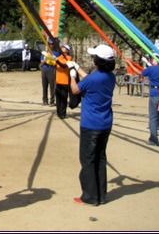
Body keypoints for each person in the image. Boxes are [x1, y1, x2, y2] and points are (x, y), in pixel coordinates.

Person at [67, 44, 116, 206]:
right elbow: (89, 79)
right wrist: (78, 67)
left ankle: (90, 196)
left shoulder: (94, 79)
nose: (92, 59)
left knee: (88, 160)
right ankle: (101, 195)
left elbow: (75, 90)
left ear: (98, 61)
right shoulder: (109, 77)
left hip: (91, 124)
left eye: (94, 57)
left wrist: (72, 75)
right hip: (105, 123)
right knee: (100, 158)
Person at [131, 57, 159, 146]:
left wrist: (130, 64)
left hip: (155, 93)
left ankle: (154, 139)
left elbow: (140, 73)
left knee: (153, 117)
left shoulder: (152, 69)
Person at [54, 44, 73, 119]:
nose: (62, 48)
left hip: (65, 81)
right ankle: (59, 112)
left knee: (64, 98)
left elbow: (64, 66)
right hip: (58, 80)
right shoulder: (59, 57)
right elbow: (53, 64)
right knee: (58, 98)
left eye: (64, 48)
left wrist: (56, 61)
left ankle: (63, 113)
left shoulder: (69, 58)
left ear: (67, 51)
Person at [40, 38, 58, 105]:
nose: (50, 45)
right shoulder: (44, 53)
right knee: (44, 85)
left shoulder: (55, 53)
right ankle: (44, 100)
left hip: (51, 69)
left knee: (52, 85)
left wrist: (50, 56)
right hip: (44, 69)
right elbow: (41, 62)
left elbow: (56, 61)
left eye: (52, 44)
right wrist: (46, 56)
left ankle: (52, 100)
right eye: (49, 44)